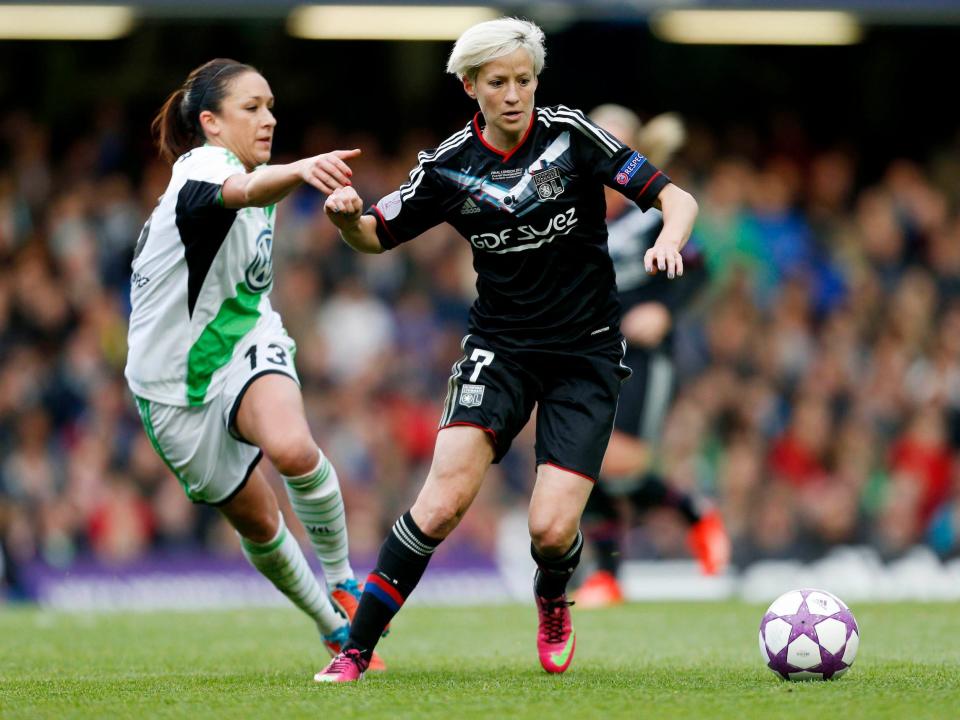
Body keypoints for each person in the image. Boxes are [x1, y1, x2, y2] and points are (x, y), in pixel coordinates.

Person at [315, 18, 698, 682]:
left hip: (587, 353)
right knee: (439, 503)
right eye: (499, 82)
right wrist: (348, 220)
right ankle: (356, 649)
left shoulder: (572, 136)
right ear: (471, 86)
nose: (515, 93)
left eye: (524, 79)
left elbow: (676, 198)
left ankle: (553, 596)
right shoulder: (450, 167)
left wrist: (668, 239)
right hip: (501, 348)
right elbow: (376, 234)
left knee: (550, 531)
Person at [124, 58, 384, 670]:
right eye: (252, 108)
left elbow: (246, 265)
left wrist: (337, 216)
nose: (268, 118)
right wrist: (298, 171)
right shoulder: (203, 169)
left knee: (292, 448)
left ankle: (345, 582)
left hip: (244, 337)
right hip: (169, 388)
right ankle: (331, 625)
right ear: (210, 123)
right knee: (259, 520)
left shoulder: (259, 172)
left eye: (271, 106)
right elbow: (236, 193)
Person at [574, 106, 730, 609]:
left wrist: (664, 309)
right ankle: (613, 574)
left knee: (613, 462)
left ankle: (688, 516)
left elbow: (701, 266)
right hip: (587, 354)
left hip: (644, 357)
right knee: (582, 461)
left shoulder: (652, 213)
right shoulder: (572, 213)